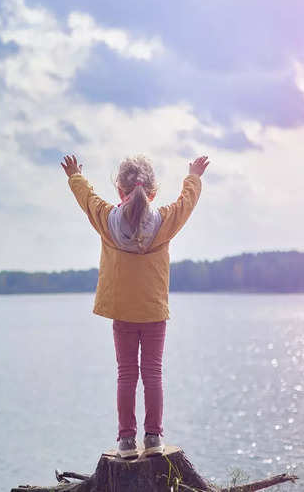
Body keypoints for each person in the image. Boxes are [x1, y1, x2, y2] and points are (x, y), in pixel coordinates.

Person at [61, 153, 209, 459]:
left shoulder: (107, 220)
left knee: (126, 374)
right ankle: (154, 437)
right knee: (152, 373)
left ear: (119, 191)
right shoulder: (164, 221)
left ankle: (126, 441)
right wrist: (194, 176)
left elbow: (87, 199)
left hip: (123, 312)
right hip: (154, 311)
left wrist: (74, 175)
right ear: (152, 193)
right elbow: (186, 202)